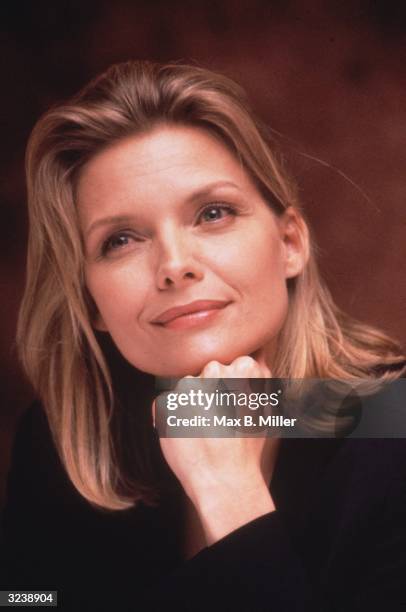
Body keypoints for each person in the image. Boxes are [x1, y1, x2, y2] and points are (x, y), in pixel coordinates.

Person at [2, 61, 405, 611]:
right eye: (121, 240)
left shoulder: (393, 437)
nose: (174, 265)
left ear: (289, 242)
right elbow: (28, 599)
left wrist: (230, 496)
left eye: (212, 213)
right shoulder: (68, 440)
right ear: (88, 299)